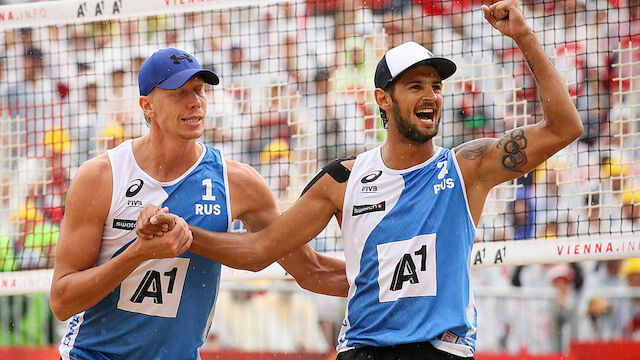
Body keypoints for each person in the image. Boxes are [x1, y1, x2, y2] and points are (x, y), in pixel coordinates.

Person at [141, 1, 583, 358]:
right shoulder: (342, 179)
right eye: (415, 86)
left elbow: (565, 129)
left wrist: (524, 36)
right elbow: (261, 251)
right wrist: (184, 235)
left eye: (435, 85)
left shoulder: (467, 166)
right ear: (382, 99)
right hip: (363, 349)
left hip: (440, 349)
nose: (430, 95)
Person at [49, 48, 347, 360]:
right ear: (147, 106)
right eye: (179, 93)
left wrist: (388, 283)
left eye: (199, 90)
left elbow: (310, 269)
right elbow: (62, 301)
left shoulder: (237, 182)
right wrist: (139, 253)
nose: (195, 102)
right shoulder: (101, 177)